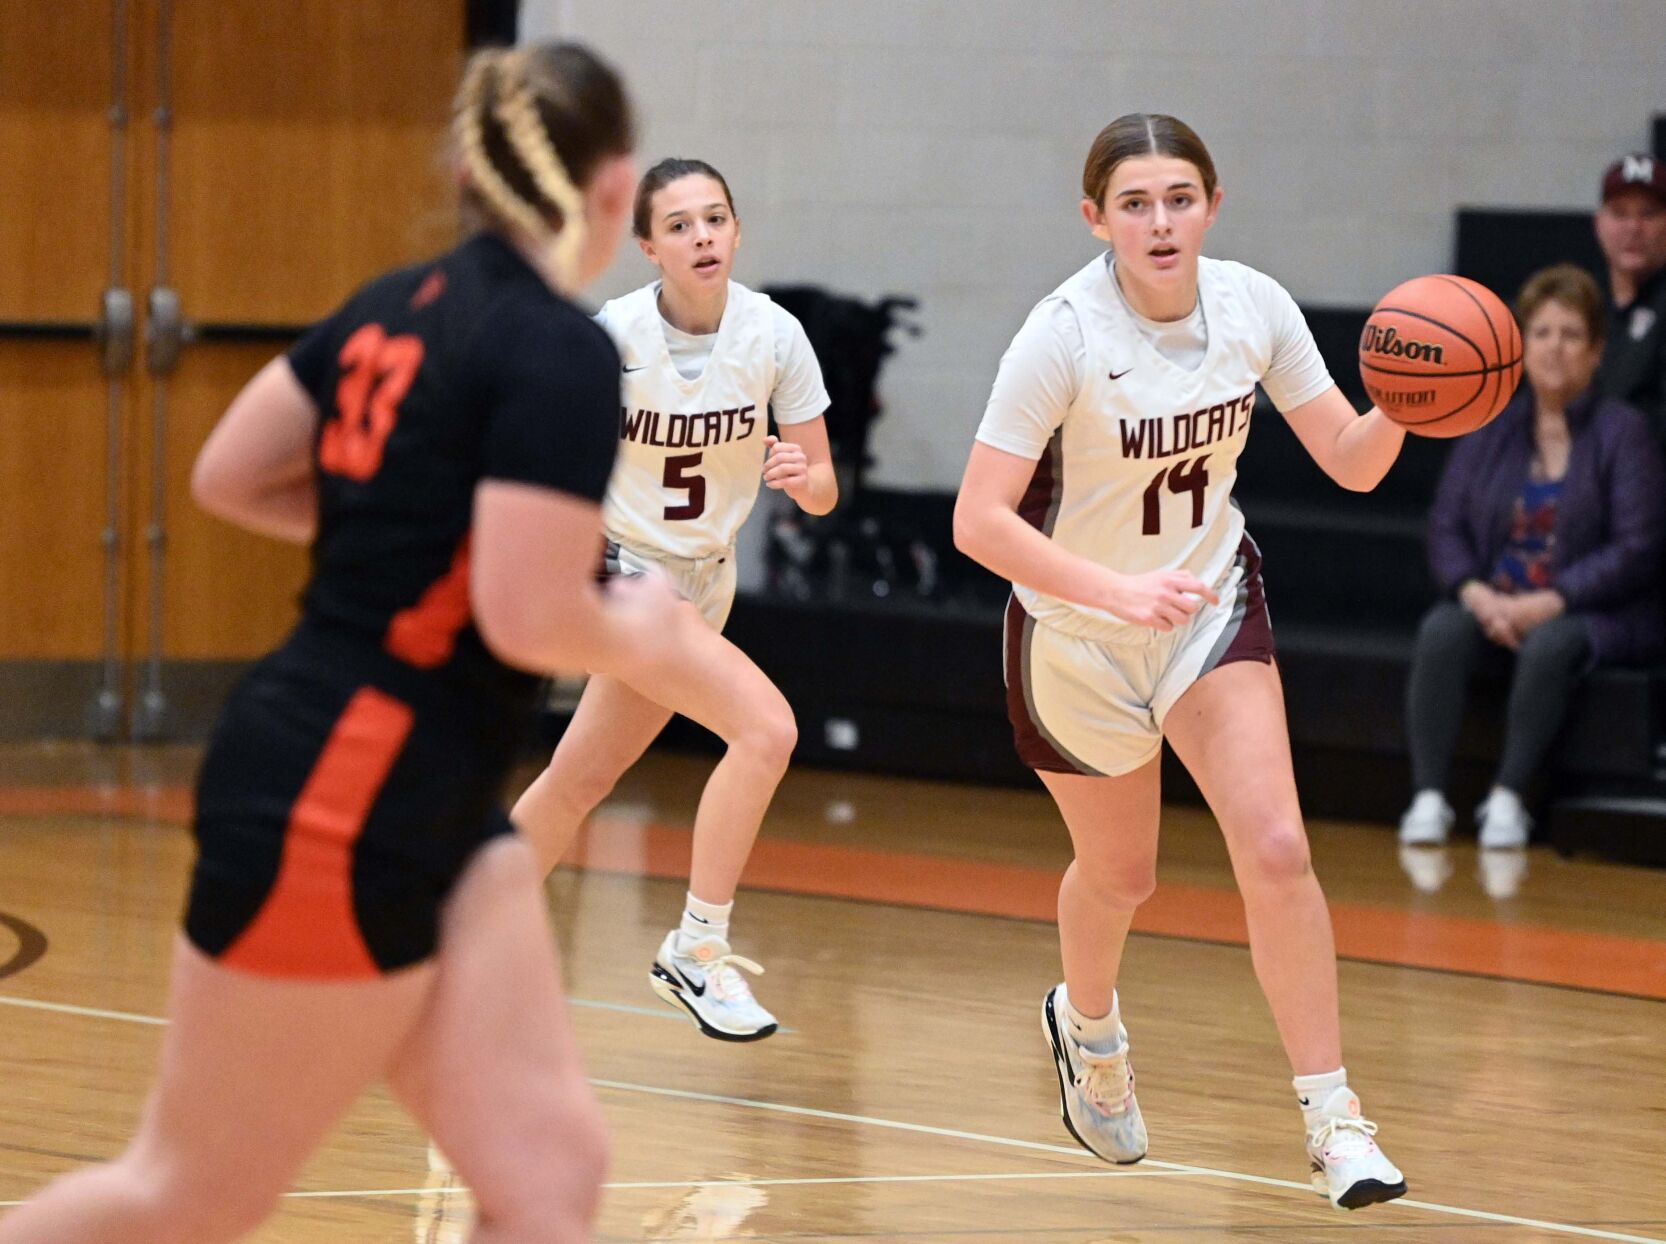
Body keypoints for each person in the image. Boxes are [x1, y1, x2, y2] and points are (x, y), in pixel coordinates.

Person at [0, 42, 683, 1244]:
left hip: (436, 796)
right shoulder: (557, 348)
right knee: (190, 1191)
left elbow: (230, 472)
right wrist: (637, 620)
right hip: (340, 793)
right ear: (616, 188)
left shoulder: (388, 308)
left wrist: (416, 526)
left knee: (548, 1171)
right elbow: (531, 615)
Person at [954, 113, 1409, 1211]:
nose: (1159, 222)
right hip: (1072, 634)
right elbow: (978, 519)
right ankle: (1090, 1028)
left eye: (1178, 198)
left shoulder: (1253, 305)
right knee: (1123, 876)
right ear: (1095, 218)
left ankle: (1334, 1116)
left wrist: (1408, 403)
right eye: (1134, 203)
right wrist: (1111, 589)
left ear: (1211, 201)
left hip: (1206, 610)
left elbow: (1348, 462)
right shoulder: (1059, 334)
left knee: (1277, 842)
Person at [512, 158, 835, 1042]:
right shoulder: (609, 338)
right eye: (682, 225)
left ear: (736, 231)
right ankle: (697, 950)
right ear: (650, 246)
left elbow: (824, 489)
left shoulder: (776, 336)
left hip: (704, 581)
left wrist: (802, 478)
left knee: (579, 778)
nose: (702, 237)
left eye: (716, 219)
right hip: (622, 573)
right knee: (767, 730)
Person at [1399, 264, 1666, 850]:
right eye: (1541, 333)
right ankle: (1428, 797)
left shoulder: (1624, 433)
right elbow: (1446, 526)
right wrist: (1475, 594)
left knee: (1553, 641)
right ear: (1520, 348)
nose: (1554, 348)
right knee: (1443, 627)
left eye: (1571, 335)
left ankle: (1509, 799)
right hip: (1498, 601)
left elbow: (1638, 546)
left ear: (1597, 351)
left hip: (1594, 611)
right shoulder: (1489, 426)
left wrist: (1554, 600)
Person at [1592, 154, 1666, 446]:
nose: (1634, 227)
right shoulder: (1584, 305)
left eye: (1648, 214)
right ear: (1599, 222)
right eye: (1620, 213)